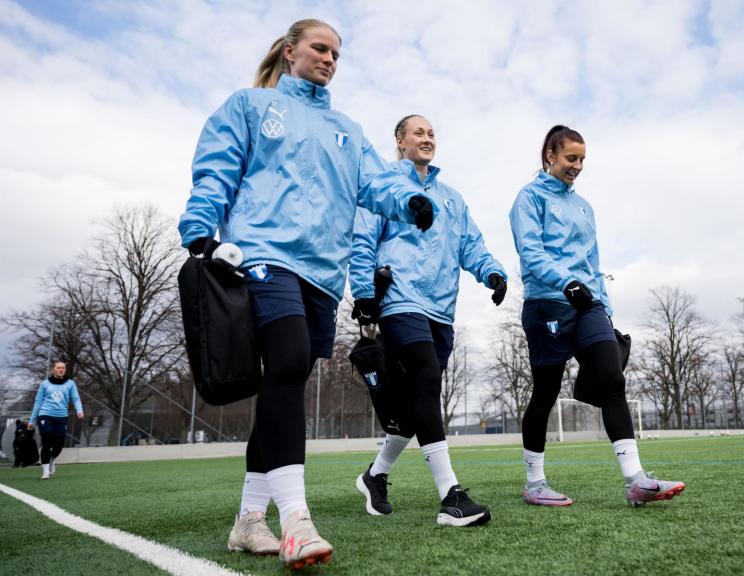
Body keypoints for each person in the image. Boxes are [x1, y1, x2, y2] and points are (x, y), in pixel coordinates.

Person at [178, 19, 435, 568]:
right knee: (290, 362)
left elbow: (377, 184)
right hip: (262, 253)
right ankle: (296, 519)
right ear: (291, 51)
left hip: (322, 272)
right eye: (320, 48)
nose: (329, 59)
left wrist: (409, 200)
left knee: (284, 382)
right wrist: (202, 226)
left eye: (337, 53)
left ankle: (249, 521)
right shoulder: (251, 105)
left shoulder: (348, 129)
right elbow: (216, 168)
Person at [508, 125, 685, 507]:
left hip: (589, 305)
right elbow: (530, 253)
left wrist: (606, 309)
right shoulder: (529, 198)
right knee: (545, 392)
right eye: (571, 158)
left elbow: (594, 263)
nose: (578, 166)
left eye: (582, 159)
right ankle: (534, 483)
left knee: (611, 378)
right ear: (550, 156)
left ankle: (636, 480)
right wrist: (565, 282)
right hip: (548, 304)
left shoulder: (584, 207)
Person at [350, 114, 507, 526]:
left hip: (441, 308)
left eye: (432, 132)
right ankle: (450, 495)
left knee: (414, 404)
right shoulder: (385, 188)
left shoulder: (452, 198)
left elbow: (470, 244)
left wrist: (492, 271)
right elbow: (362, 241)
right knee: (424, 379)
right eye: (418, 132)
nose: (427, 138)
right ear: (399, 141)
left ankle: (375, 475)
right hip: (399, 300)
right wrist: (364, 295)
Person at [28, 362, 83, 479]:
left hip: (62, 417)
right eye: (58, 368)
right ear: (53, 369)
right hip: (45, 415)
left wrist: (79, 410)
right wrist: (32, 421)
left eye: (63, 368)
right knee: (47, 442)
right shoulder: (44, 384)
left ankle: (52, 460)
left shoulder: (70, 384)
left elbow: (76, 399)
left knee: (59, 445)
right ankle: (45, 470)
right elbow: (38, 402)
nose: (61, 370)